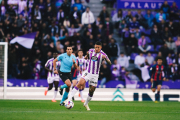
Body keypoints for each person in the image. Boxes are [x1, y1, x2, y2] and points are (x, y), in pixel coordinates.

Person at [66, 41, 111, 110]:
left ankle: (86, 103)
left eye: (98, 47)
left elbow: (109, 62)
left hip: (95, 75)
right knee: (80, 83)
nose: (96, 49)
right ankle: (69, 100)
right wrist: (87, 56)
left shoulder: (103, 54)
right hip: (88, 72)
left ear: (100, 48)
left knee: (91, 90)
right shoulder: (91, 51)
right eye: (95, 47)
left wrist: (105, 58)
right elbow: (87, 57)